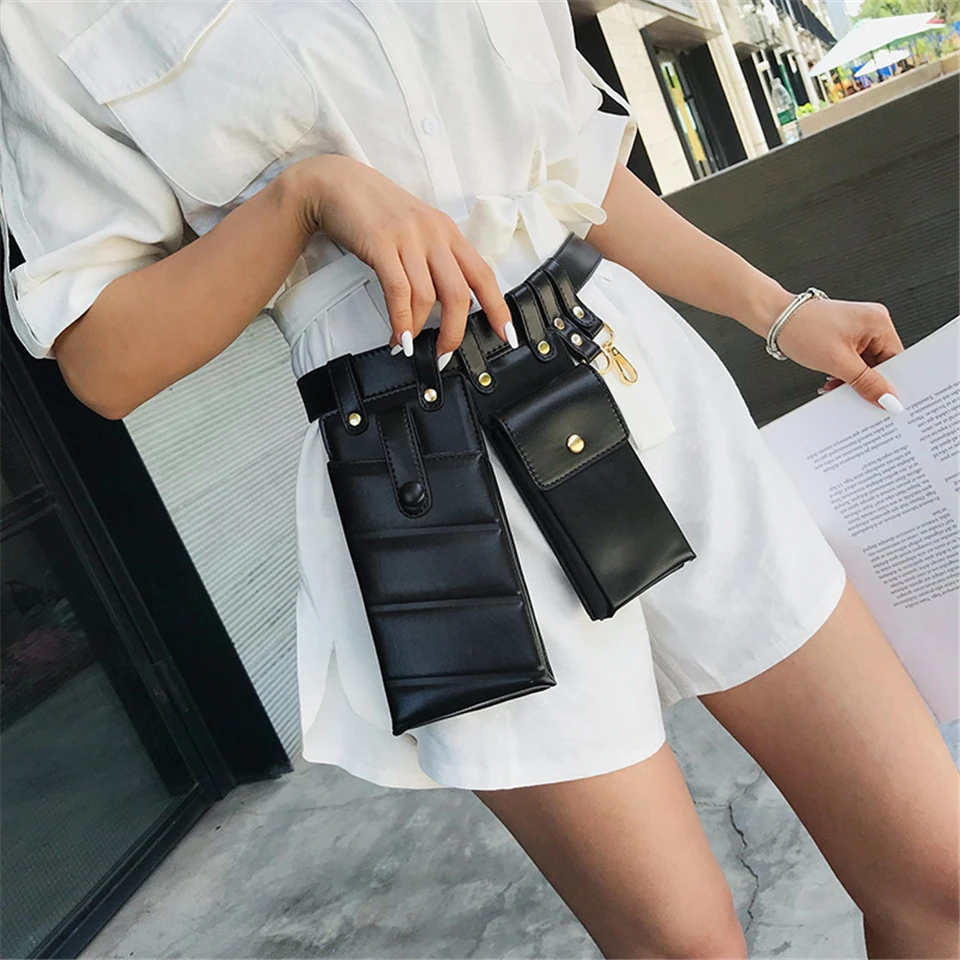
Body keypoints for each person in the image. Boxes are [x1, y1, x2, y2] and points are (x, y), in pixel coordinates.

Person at [2, 2, 957, 957]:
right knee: (684, 945)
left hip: (639, 385)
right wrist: (303, 198)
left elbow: (572, 169)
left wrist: (780, 310)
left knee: (938, 874)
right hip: (426, 474)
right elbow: (105, 361)